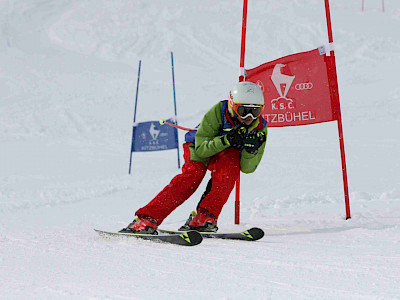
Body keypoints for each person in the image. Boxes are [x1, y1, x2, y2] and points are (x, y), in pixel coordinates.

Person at [120, 81, 268, 234]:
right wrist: (227, 139)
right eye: (243, 110)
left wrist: (251, 151)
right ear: (232, 106)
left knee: (228, 173)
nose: (249, 117)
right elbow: (202, 149)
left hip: (226, 153)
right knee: (192, 176)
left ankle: (204, 217)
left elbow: (248, 169)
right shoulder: (219, 111)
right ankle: (147, 218)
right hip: (197, 147)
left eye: (255, 111)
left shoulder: (259, 127)